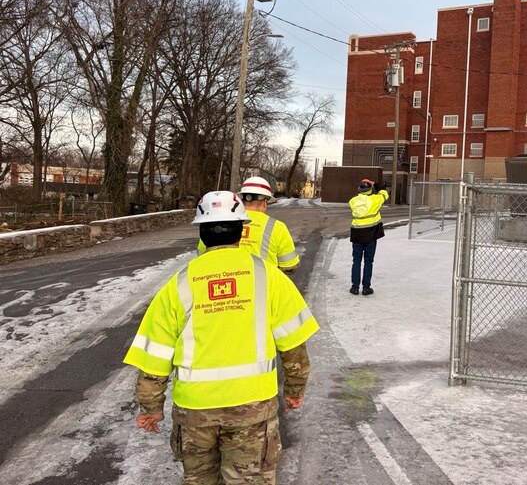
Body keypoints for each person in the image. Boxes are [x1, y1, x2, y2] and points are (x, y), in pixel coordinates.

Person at [125, 190, 318, 485]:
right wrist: (294, 389)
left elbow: (154, 355)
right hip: (252, 409)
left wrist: (150, 408)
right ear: (242, 230)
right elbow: (293, 347)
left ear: (201, 233)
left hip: (194, 413)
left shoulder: (179, 283)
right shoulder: (269, 277)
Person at [196, 176, 300, 275]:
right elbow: (290, 266)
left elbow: (201, 255)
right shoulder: (278, 227)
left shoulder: (218, 221)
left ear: (242, 200)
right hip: (263, 288)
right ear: (265, 202)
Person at [348, 178, 389, 296]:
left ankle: (354, 287)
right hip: (371, 234)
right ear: (370, 189)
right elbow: (384, 193)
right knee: (368, 261)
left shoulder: (352, 201)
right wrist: (375, 184)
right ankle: (366, 288)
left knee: (356, 261)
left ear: (359, 190)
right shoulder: (375, 200)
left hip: (356, 234)